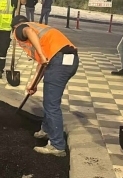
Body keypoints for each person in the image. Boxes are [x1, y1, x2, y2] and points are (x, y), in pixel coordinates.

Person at [11, 15, 79, 157]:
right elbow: (43, 64)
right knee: (50, 101)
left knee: (51, 105)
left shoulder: (21, 29)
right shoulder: (41, 30)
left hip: (58, 62)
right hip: (70, 60)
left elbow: (28, 32)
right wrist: (33, 84)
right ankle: (47, 130)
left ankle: (57, 145)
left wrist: (41, 54)